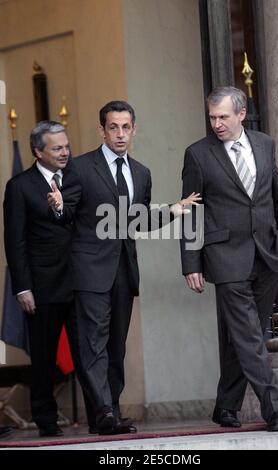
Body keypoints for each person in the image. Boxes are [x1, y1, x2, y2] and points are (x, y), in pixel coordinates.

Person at [48, 100, 199, 435]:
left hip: (124, 270)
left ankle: (111, 410)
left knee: (116, 345)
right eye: (113, 127)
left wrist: (173, 209)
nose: (120, 134)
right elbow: (68, 210)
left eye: (125, 127)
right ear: (102, 130)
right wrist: (59, 206)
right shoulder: (81, 167)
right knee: (94, 343)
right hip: (89, 269)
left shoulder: (141, 173)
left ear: (134, 129)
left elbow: (137, 221)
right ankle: (102, 411)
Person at [180, 86, 278, 432]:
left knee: (246, 335)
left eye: (223, 117)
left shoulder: (264, 144)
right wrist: (191, 262)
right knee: (248, 335)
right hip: (225, 257)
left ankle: (226, 405)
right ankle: (274, 407)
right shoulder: (197, 154)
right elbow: (191, 212)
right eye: (212, 117)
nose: (216, 124)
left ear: (241, 114)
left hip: (267, 254)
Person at [3, 121, 77, 437]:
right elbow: (15, 241)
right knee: (44, 357)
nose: (65, 152)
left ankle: (103, 413)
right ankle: (46, 420)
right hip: (42, 287)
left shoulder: (77, 178)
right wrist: (22, 287)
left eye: (66, 146)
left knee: (88, 352)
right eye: (57, 148)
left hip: (80, 282)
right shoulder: (20, 186)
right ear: (38, 151)